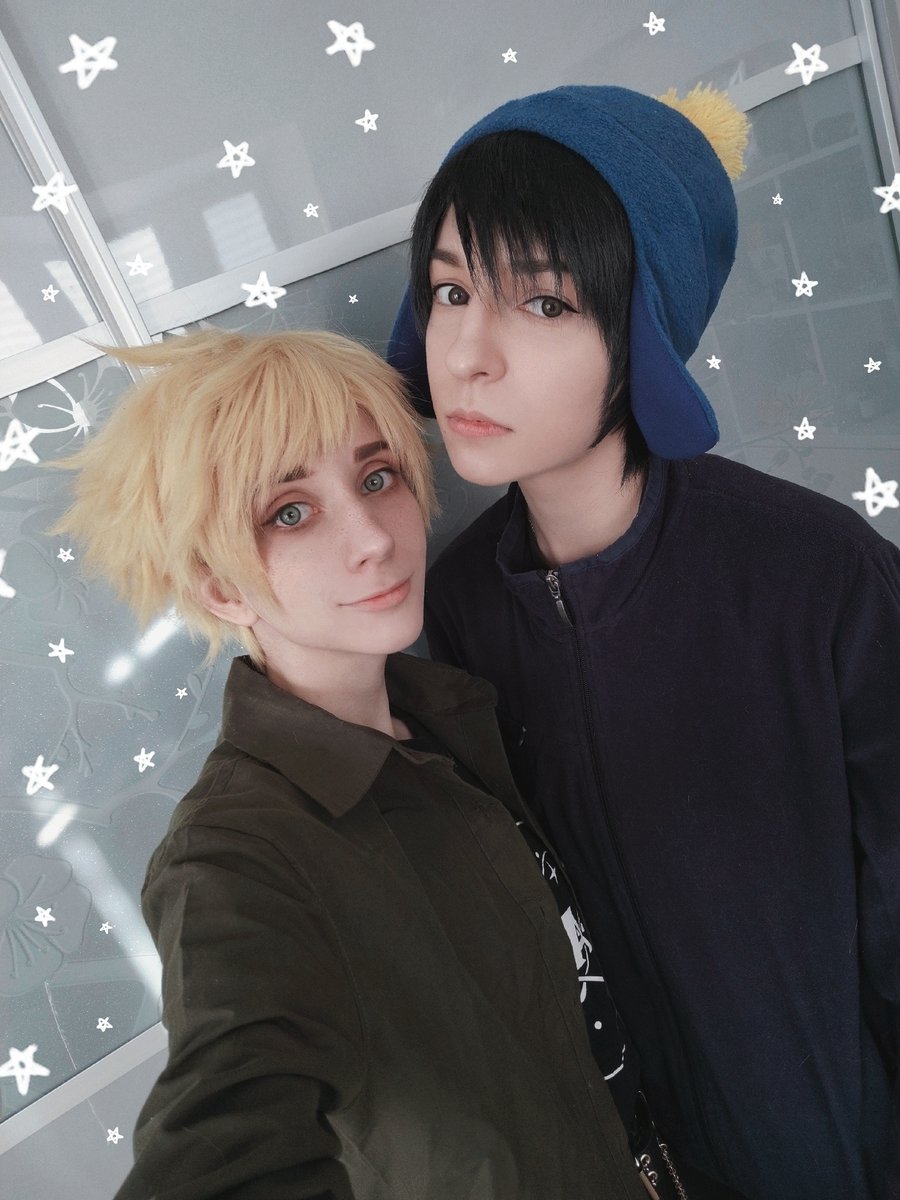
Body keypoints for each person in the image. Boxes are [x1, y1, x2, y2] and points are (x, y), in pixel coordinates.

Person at [388, 84, 900, 1200]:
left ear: (644, 333)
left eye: (543, 303)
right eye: (452, 289)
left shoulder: (819, 579)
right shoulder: (457, 610)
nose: (467, 353)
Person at [50, 329, 651, 1200]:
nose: (372, 537)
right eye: (289, 513)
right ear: (220, 587)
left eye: (377, 478)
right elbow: (226, 1137)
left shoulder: (453, 717)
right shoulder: (235, 860)